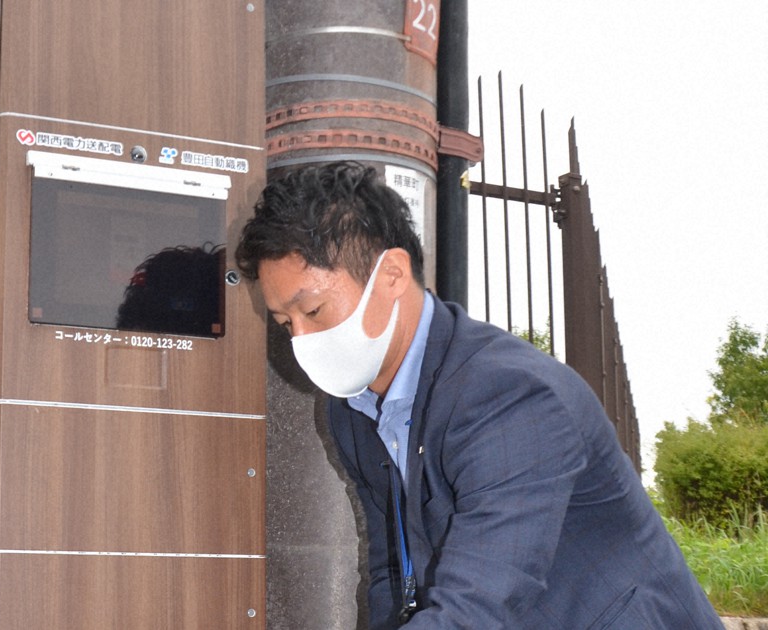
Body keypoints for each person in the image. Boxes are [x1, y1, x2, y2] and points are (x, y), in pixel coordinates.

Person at [235, 161, 722, 629]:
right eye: (285, 324)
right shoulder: (353, 409)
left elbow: (481, 606)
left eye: (313, 311)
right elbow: (394, 572)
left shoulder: (511, 397)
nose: (302, 340)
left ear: (392, 275)